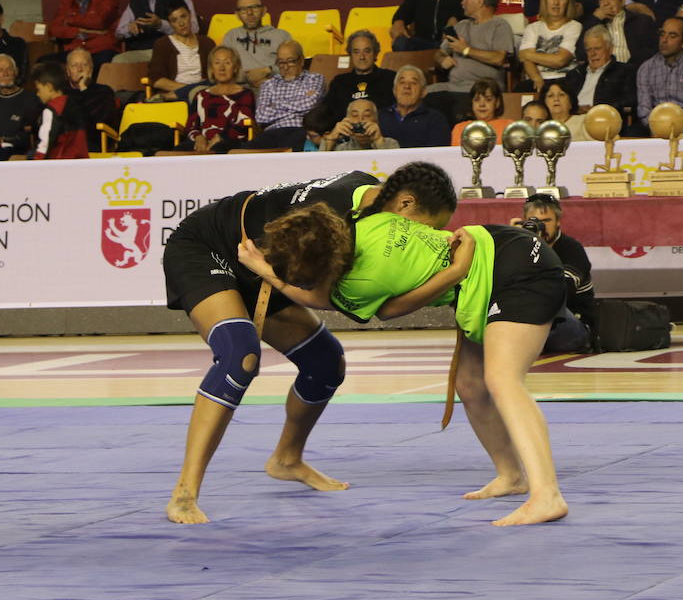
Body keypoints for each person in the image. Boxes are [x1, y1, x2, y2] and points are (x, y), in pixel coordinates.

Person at [237, 173, 570, 526]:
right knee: (471, 385)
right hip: (497, 250)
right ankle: (511, 476)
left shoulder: (362, 280)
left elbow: (331, 300)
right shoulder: (371, 223)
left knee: (503, 380)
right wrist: (457, 270)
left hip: (517, 270)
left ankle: (547, 494)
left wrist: (267, 273)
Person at [161, 161, 460, 524]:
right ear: (405, 204)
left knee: (325, 362)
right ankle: (184, 494)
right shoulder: (336, 218)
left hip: (265, 264)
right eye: (428, 230)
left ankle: (287, 459)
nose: (424, 240)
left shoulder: (369, 199)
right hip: (208, 245)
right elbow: (319, 297)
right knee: (239, 354)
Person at [516, 194, 594, 354]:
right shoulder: (520, 247)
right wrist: (514, 240)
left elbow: (559, 293)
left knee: (547, 307)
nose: (541, 226)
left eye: (546, 221)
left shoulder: (571, 248)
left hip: (571, 325)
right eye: (534, 221)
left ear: (558, 222)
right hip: (535, 321)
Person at [426, 0, 515, 119]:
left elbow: (499, 58)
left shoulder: (499, 26)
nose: (462, 2)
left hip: (480, 90)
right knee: (422, 95)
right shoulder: (461, 26)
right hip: (452, 87)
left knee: (447, 105)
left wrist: (466, 50)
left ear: (480, 2)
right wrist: (442, 59)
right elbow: (439, 53)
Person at [245, 39, 323, 150]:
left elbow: (310, 104)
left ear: (301, 60)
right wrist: (299, 103)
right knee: (243, 152)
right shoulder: (269, 84)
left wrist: (275, 105)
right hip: (272, 132)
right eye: (281, 62)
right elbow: (261, 116)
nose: (285, 67)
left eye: (290, 61)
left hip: (300, 130)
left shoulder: (314, 78)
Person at [113, 0, 196, 63]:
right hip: (141, 50)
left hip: (172, 48)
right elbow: (119, 32)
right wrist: (130, 28)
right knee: (118, 61)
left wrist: (160, 24)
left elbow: (194, 29)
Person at [47, 0, 122, 72]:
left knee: (97, 66)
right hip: (74, 51)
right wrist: (79, 31)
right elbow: (54, 29)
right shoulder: (67, 0)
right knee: (43, 63)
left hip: (100, 49)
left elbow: (99, 22)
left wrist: (69, 20)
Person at [635, 17, 683, 135]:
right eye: (662, 34)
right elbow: (644, 110)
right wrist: (659, 125)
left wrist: (673, 124)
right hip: (654, 124)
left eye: (672, 36)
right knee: (632, 131)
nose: (664, 40)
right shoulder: (646, 68)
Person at [563, 26, 636, 138]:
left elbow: (629, 102)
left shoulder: (624, 71)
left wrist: (596, 109)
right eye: (589, 49)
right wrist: (575, 108)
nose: (592, 54)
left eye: (597, 48)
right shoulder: (574, 74)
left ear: (610, 49)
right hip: (574, 120)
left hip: (604, 121)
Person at [312, 29, 394, 127]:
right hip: (345, 137)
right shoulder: (339, 82)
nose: (362, 57)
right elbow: (326, 112)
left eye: (367, 51)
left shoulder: (390, 78)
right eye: (356, 52)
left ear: (376, 53)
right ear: (350, 55)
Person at [179, 46, 254, 153]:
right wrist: (199, 138)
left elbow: (243, 124)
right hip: (201, 142)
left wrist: (219, 137)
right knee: (175, 152)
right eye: (217, 63)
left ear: (236, 68)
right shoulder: (201, 95)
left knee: (218, 149)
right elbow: (191, 126)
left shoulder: (245, 94)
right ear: (211, 68)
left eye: (227, 63)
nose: (221, 68)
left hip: (230, 142)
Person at [517, 0, 581, 92]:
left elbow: (560, 60)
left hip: (564, 79)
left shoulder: (574, 26)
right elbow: (525, 60)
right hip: (536, 79)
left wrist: (528, 54)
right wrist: (537, 78)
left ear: (568, 2)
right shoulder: (532, 28)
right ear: (545, 1)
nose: (556, 2)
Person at [220, 0, 291, 88]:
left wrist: (268, 71)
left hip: (274, 86)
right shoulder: (231, 36)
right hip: (239, 88)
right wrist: (250, 77)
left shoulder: (281, 35)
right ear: (237, 15)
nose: (250, 13)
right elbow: (223, 68)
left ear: (264, 10)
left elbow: (292, 66)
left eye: (254, 7)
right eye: (243, 9)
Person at [576, 0, 656, 66]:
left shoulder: (641, 21)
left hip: (633, 71)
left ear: (623, 0)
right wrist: (595, 19)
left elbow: (652, 52)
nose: (606, 3)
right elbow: (581, 54)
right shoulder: (594, 23)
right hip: (605, 73)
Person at [148, 4, 215, 103]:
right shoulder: (162, 44)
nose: (181, 23)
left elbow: (215, 76)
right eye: (174, 20)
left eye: (183, 16)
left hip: (203, 94)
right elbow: (157, 81)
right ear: (170, 23)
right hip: (177, 94)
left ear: (190, 15)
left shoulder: (207, 43)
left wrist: (196, 90)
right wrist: (190, 90)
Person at [31, 60, 90, 159]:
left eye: (38, 89)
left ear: (49, 87)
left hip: (59, 164)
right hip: (80, 161)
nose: (37, 94)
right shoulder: (73, 103)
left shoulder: (51, 110)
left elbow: (45, 142)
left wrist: (36, 161)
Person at [380, 64, 450, 148]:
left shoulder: (435, 120)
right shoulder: (380, 116)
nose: (407, 86)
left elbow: (437, 154)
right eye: (402, 82)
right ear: (394, 90)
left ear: (423, 92)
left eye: (413, 83)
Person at [66, 48, 119, 148]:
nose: (80, 69)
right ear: (68, 71)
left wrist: (83, 89)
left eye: (84, 65)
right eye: (74, 66)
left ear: (91, 68)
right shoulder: (61, 92)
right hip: (67, 143)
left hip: (94, 142)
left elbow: (99, 122)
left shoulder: (104, 92)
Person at [315, 97, 396, 151]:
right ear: (346, 120)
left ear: (376, 121)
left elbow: (395, 168)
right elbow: (319, 166)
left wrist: (378, 141)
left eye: (367, 115)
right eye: (355, 115)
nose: (360, 120)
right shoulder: (340, 148)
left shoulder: (390, 144)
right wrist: (331, 139)